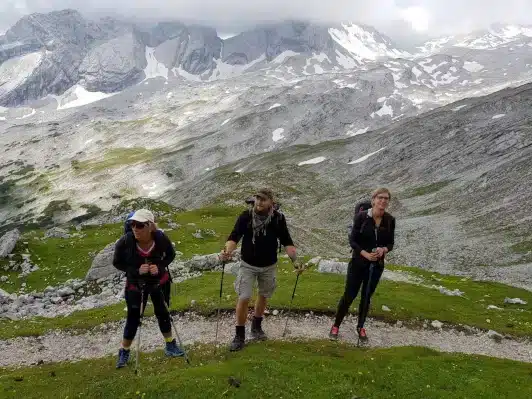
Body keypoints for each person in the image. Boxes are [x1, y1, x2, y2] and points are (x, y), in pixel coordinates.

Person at [220, 188, 302, 352]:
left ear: (271, 202)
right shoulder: (246, 216)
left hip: (269, 265)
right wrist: (227, 251)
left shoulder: (278, 219)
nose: (259, 202)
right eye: (257, 198)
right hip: (248, 264)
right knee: (244, 297)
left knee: (264, 295)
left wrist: (296, 260)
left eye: (263, 199)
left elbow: (286, 240)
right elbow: (234, 237)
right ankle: (239, 335)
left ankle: (256, 327)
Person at [112, 209, 184, 368]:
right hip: (135, 284)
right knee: (133, 317)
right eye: (132, 224)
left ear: (150, 226)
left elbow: (170, 255)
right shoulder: (126, 241)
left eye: (139, 225)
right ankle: (124, 352)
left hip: (160, 282)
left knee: (163, 313)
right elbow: (117, 262)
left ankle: (170, 345)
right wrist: (136, 270)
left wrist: (159, 266)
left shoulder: (161, 239)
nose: (135, 228)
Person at [329, 188, 395, 341]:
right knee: (349, 295)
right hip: (359, 263)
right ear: (373, 199)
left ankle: (361, 326)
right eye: (380, 198)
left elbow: (391, 243)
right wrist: (364, 253)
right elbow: (353, 241)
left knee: (366, 296)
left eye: (386, 198)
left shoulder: (390, 220)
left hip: (376, 265)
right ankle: (336, 324)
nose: (383, 201)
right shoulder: (361, 217)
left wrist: (383, 249)